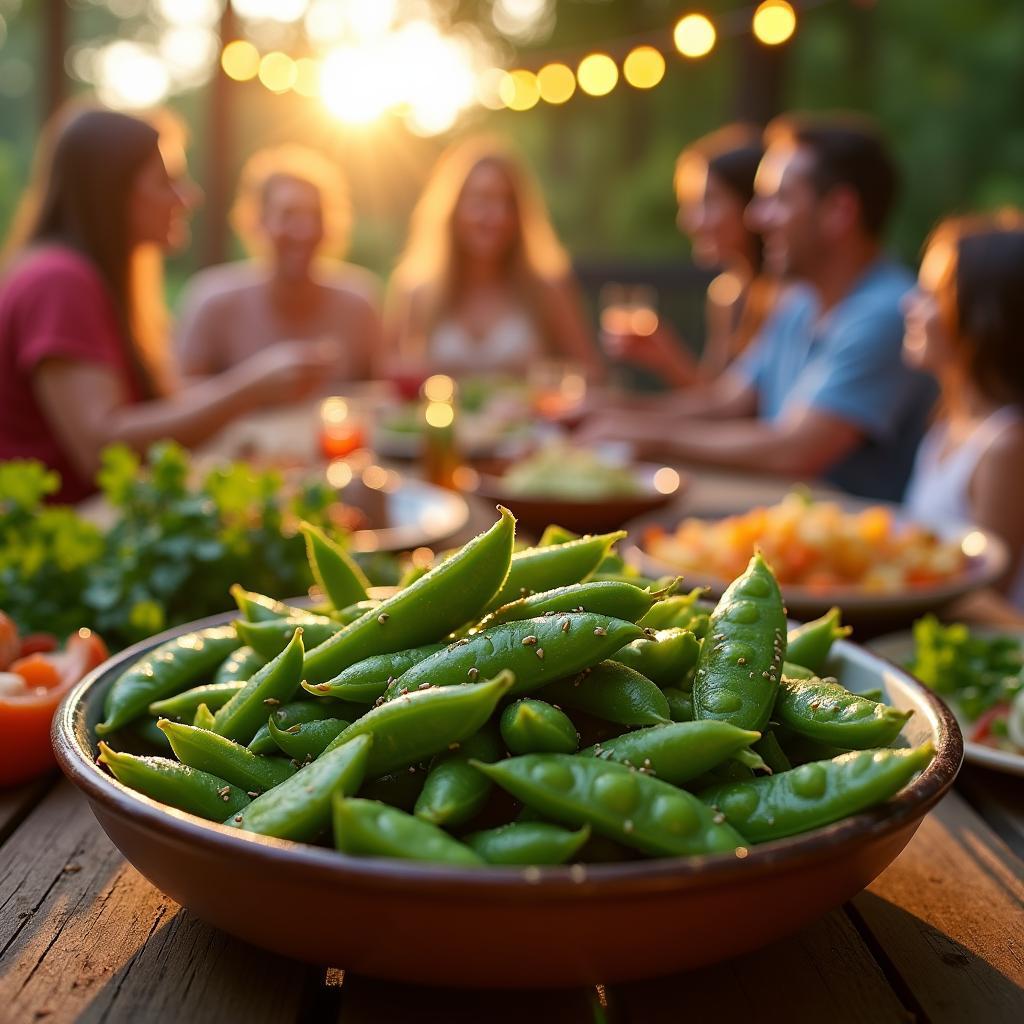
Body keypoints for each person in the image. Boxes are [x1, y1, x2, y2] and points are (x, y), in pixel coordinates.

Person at [579, 113, 935, 502]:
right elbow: (729, 401)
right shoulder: (800, 300)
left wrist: (647, 436)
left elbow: (794, 451)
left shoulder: (886, 314)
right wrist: (610, 412)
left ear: (839, 211)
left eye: (778, 199)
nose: (756, 217)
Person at [0, 106, 336, 503]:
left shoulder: (87, 277)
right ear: (112, 192)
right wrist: (249, 389)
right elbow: (101, 448)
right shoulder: (59, 282)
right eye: (166, 182)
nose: (188, 197)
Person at [386, 135, 602, 380]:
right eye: (482, 200)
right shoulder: (416, 291)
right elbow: (388, 376)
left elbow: (592, 375)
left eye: (508, 202)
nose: (497, 216)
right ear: (454, 208)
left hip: (530, 419)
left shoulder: (547, 288)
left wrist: (540, 385)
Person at [177, 145, 381, 382]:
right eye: (288, 215)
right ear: (258, 221)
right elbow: (182, 399)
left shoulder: (358, 304)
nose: (305, 230)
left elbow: (377, 396)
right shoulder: (213, 301)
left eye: (315, 216)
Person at [902, 212, 1024, 605]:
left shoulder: (1006, 445)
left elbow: (985, 596)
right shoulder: (948, 422)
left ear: (982, 318)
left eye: (930, 294)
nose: (909, 303)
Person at [604, 124, 776, 386]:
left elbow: (733, 411)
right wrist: (665, 357)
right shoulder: (727, 294)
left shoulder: (789, 299)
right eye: (689, 204)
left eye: (708, 202)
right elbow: (717, 399)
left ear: (752, 203)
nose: (689, 222)